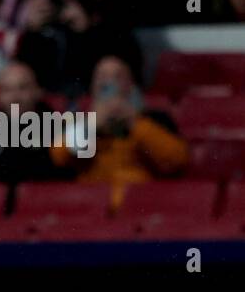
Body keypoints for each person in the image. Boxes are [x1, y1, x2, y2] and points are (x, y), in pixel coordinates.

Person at [49, 55, 187, 209]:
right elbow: (58, 158)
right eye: (103, 76)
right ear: (93, 85)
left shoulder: (154, 119)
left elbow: (176, 160)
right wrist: (92, 124)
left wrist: (134, 123)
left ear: (131, 84)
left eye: (118, 76)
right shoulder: (76, 121)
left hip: (142, 205)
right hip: (89, 207)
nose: (110, 82)